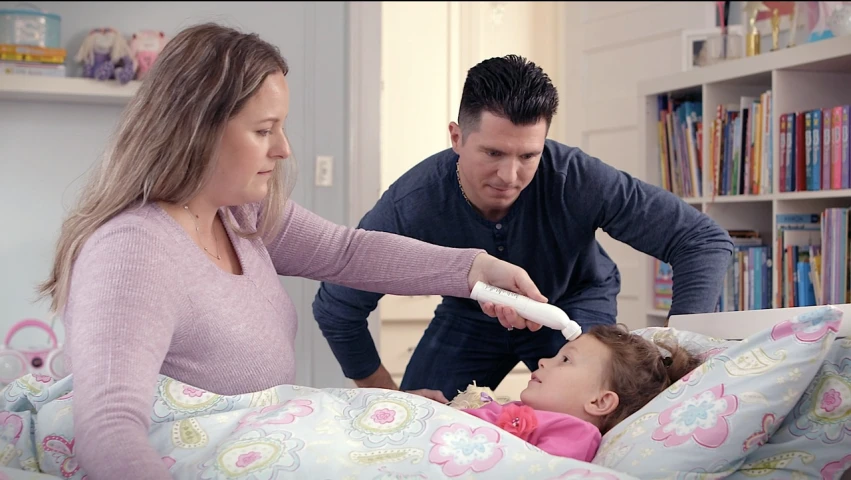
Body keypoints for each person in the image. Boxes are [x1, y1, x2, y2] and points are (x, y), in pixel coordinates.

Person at [35, 24, 549, 480]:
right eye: (263, 130)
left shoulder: (238, 217)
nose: (282, 149)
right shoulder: (131, 254)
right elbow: (109, 426)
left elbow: (348, 252)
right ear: (196, 130)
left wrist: (476, 269)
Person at [312, 54, 734, 403]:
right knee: (416, 425)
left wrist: (682, 348)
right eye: (493, 152)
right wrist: (384, 397)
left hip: (573, 306)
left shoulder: (578, 177)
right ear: (457, 137)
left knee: (591, 420)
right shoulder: (411, 204)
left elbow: (701, 240)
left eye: (529, 155)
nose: (509, 175)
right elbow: (336, 308)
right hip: (469, 317)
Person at [454, 324, 703, 461]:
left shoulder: (575, 433)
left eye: (565, 360)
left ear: (599, 401)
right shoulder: (520, 408)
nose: (542, 361)